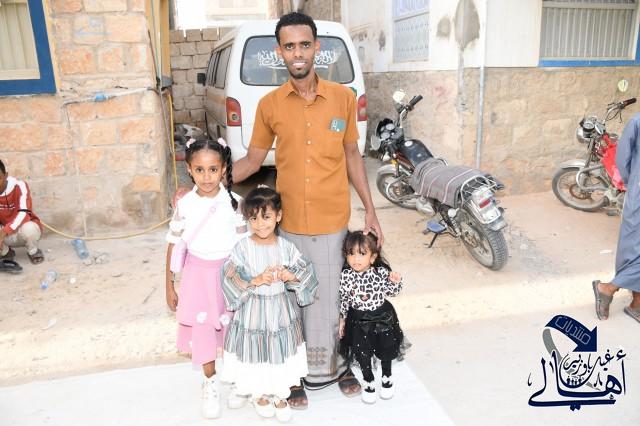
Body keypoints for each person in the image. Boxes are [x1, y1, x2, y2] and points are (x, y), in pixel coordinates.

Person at [231, 11, 383, 408]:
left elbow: (352, 155)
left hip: (334, 220)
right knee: (294, 301)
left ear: (316, 48)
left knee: (335, 298)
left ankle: (342, 366)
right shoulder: (269, 105)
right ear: (279, 52)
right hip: (292, 223)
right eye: (289, 46)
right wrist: (208, 183)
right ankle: (295, 374)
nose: (297, 53)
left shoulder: (343, 98)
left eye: (304, 45)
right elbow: (252, 160)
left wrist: (370, 210)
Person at [220, 186, 318, 422]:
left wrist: (290, 276)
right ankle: (259, 394)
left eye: (266, 217)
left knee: (278, 352)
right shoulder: (243, 247)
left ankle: (280, 393)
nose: (260, 224)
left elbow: (306, 271)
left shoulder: (286, 247)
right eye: (253, 218)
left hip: (279, 311)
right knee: (256, 352)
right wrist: (255, 280)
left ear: (278, 216)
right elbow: (229, 275)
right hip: (253, 312)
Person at [165, 138, 246, 419]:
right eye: (199, 170)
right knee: (203, 332)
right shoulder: (185, 204)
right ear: (189, 169)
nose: (207, 176)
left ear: (223, 169)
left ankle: (236, 379)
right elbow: (173, 243)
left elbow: (246, 245)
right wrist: (169, 285)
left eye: (213, 169)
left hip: (229, 277)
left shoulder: (235, 203)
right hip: (197, 277)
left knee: (234, 329)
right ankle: (210, 383)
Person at [338, 231, 405, 404]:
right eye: (351, 253)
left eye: (362, 254)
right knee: (362, 353)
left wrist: (395, 282)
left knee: (386, 349)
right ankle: (368, 381)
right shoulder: (346, 276)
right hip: (358, 321)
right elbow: (344, 299)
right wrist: (342, 319)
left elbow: (392, 292)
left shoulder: (380, 272)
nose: (356, 259)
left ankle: (387, 377)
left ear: (373, 257)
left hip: (382, 317)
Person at [593, 113, 640, 323]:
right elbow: (623, 159)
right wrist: (634, 183)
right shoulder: (636, 122)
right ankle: (608, 288)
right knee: (633, 249)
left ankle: (636, 303)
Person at [0, 159, 44, 268]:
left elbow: (24, 213)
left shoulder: (20, 185)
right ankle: (6, 253)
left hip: (22, 230)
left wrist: (4, 232)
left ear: (6, 176)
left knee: (30, 228)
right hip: (5, 235)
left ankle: (33, 251)